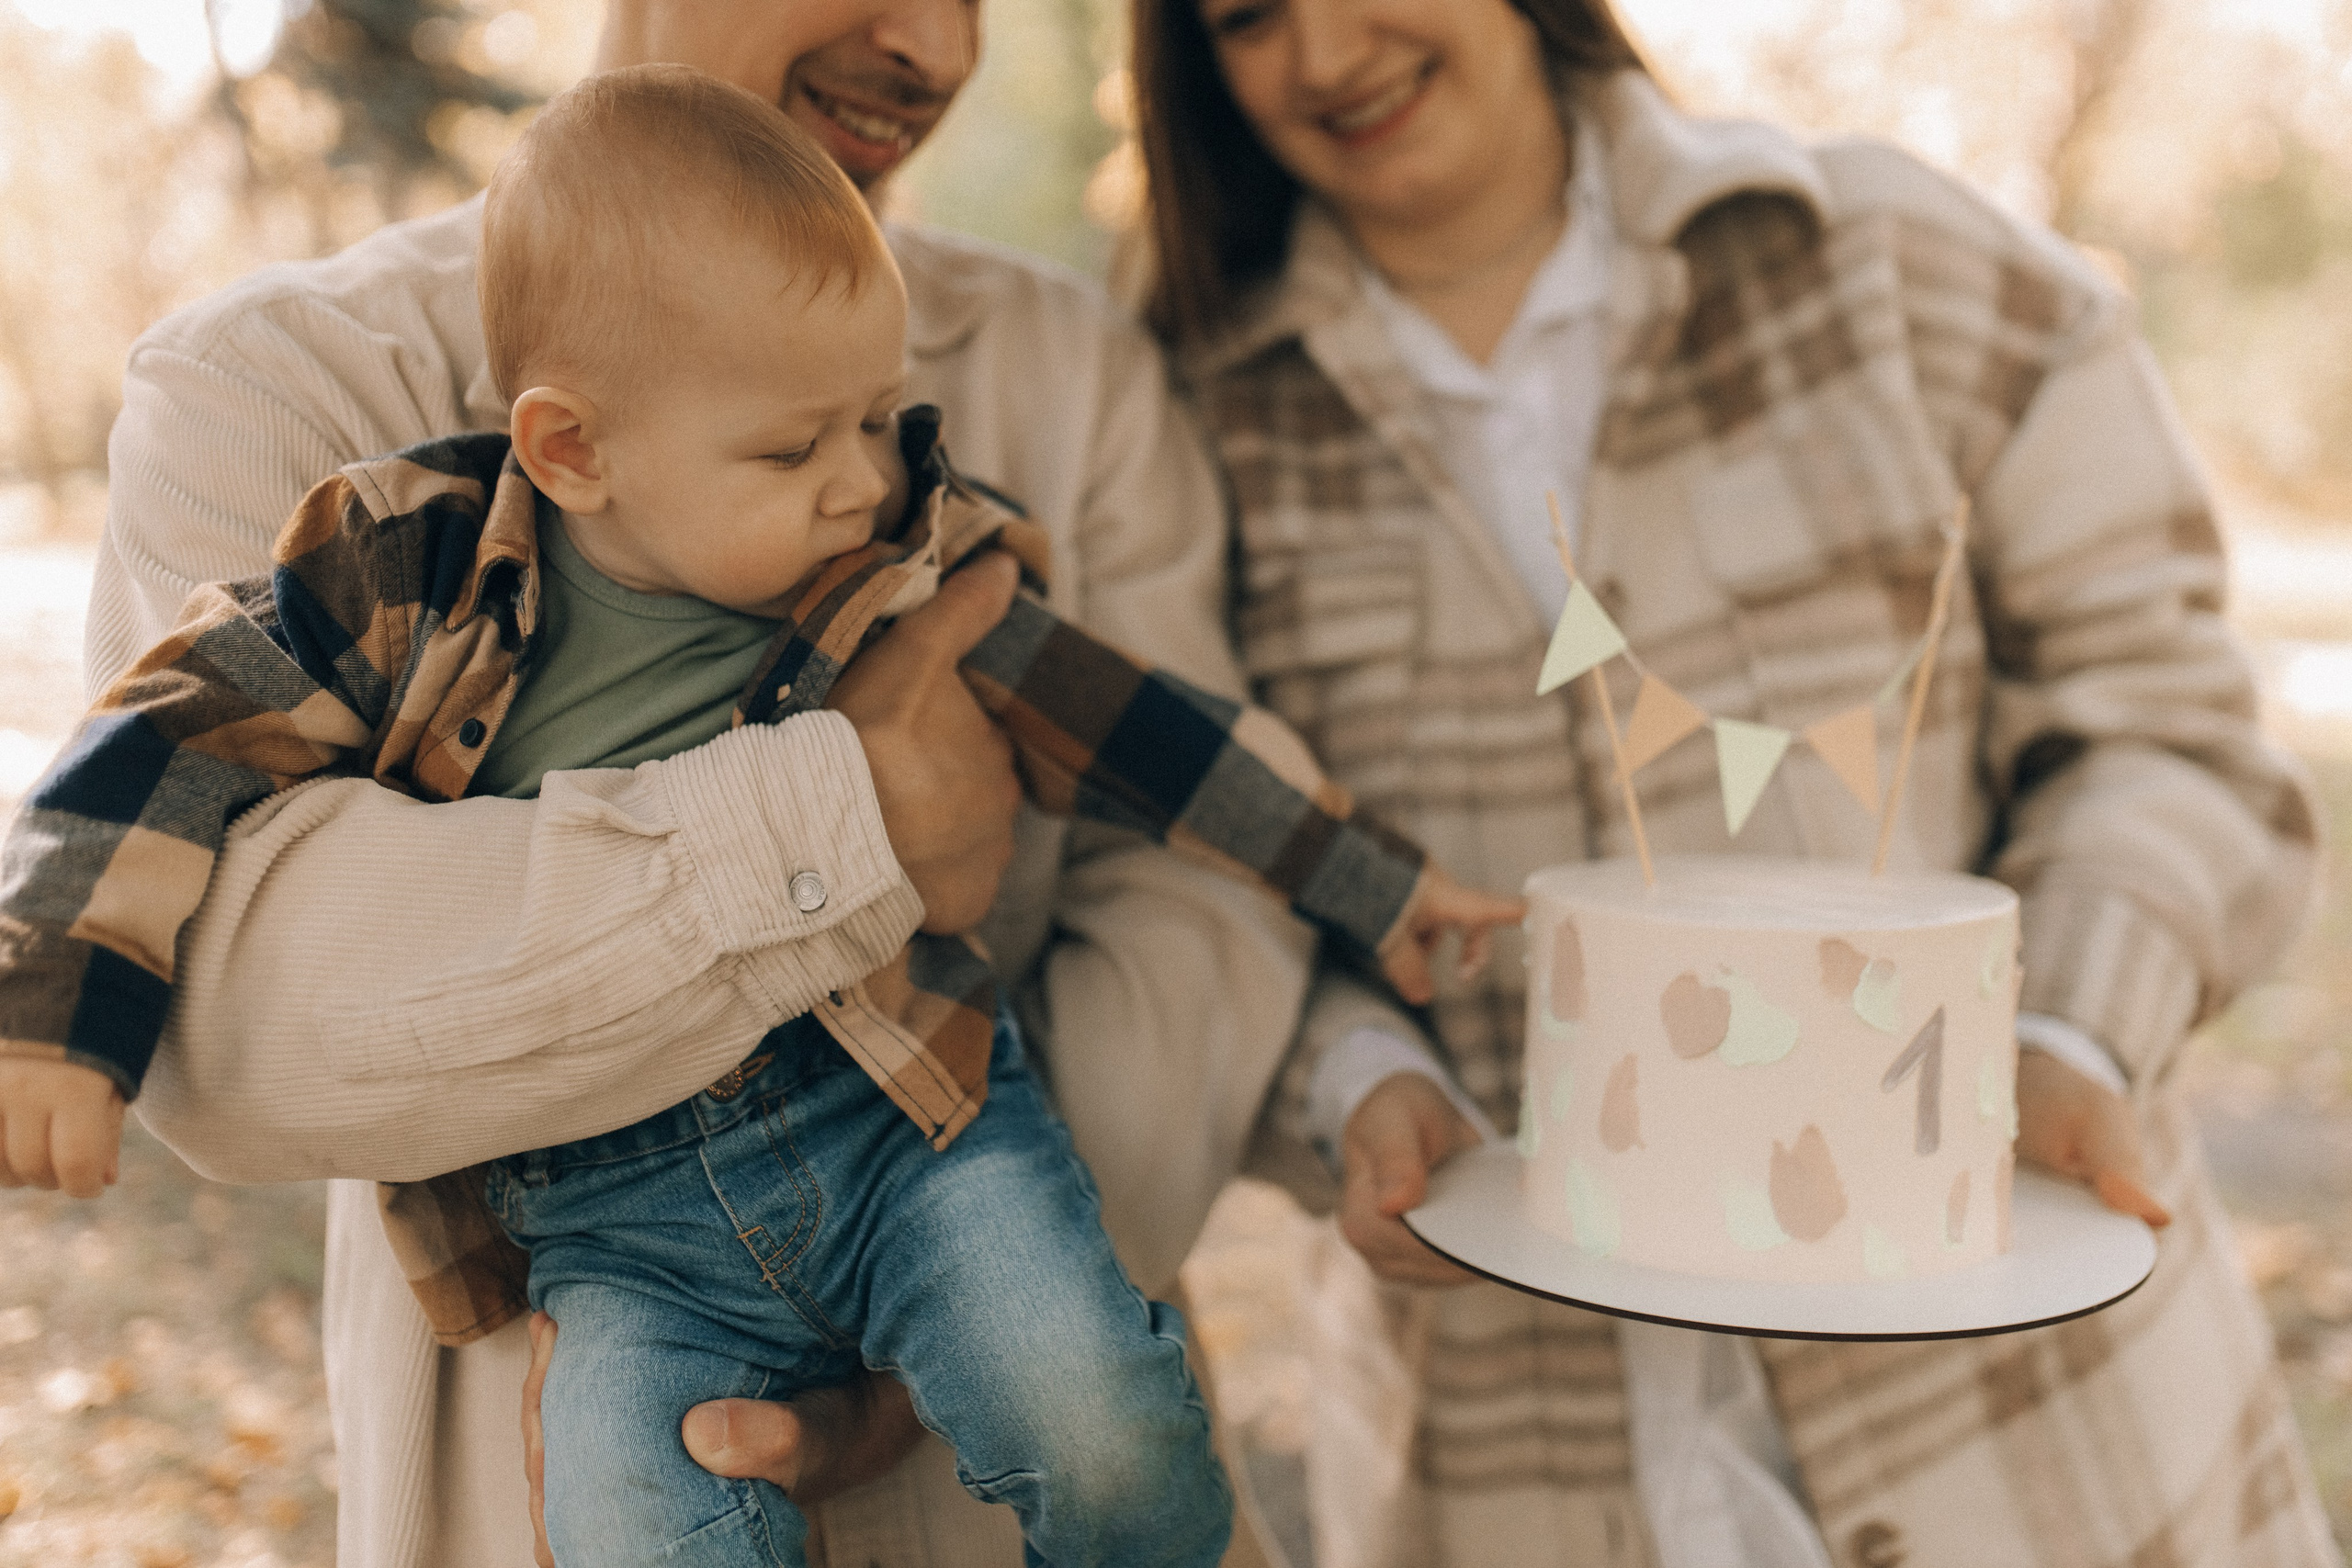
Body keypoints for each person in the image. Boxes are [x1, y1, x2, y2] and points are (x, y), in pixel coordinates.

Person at [3, 66, 1521, 1562]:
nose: (862, 481)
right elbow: (172, 739)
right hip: (609, 1228)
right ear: (572, 449)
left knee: (1102, 1423)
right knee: (627, 1524)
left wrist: (1376, 885)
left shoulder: (905, 565)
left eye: (877, 419)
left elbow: (1153, 738)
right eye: (796, 451)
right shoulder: (401, 565)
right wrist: (54, 1010)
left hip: (914, 1125)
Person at [1129, 0, 2336, 1563]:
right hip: (1511, 1455)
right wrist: (1358, 1080)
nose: (1323, 54)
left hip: (2035, 1433)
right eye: (1245, 16)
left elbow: (2163, 723)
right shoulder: (1185, 398)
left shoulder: (1891, 264)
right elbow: (1183, 846)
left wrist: (2051, 1037)